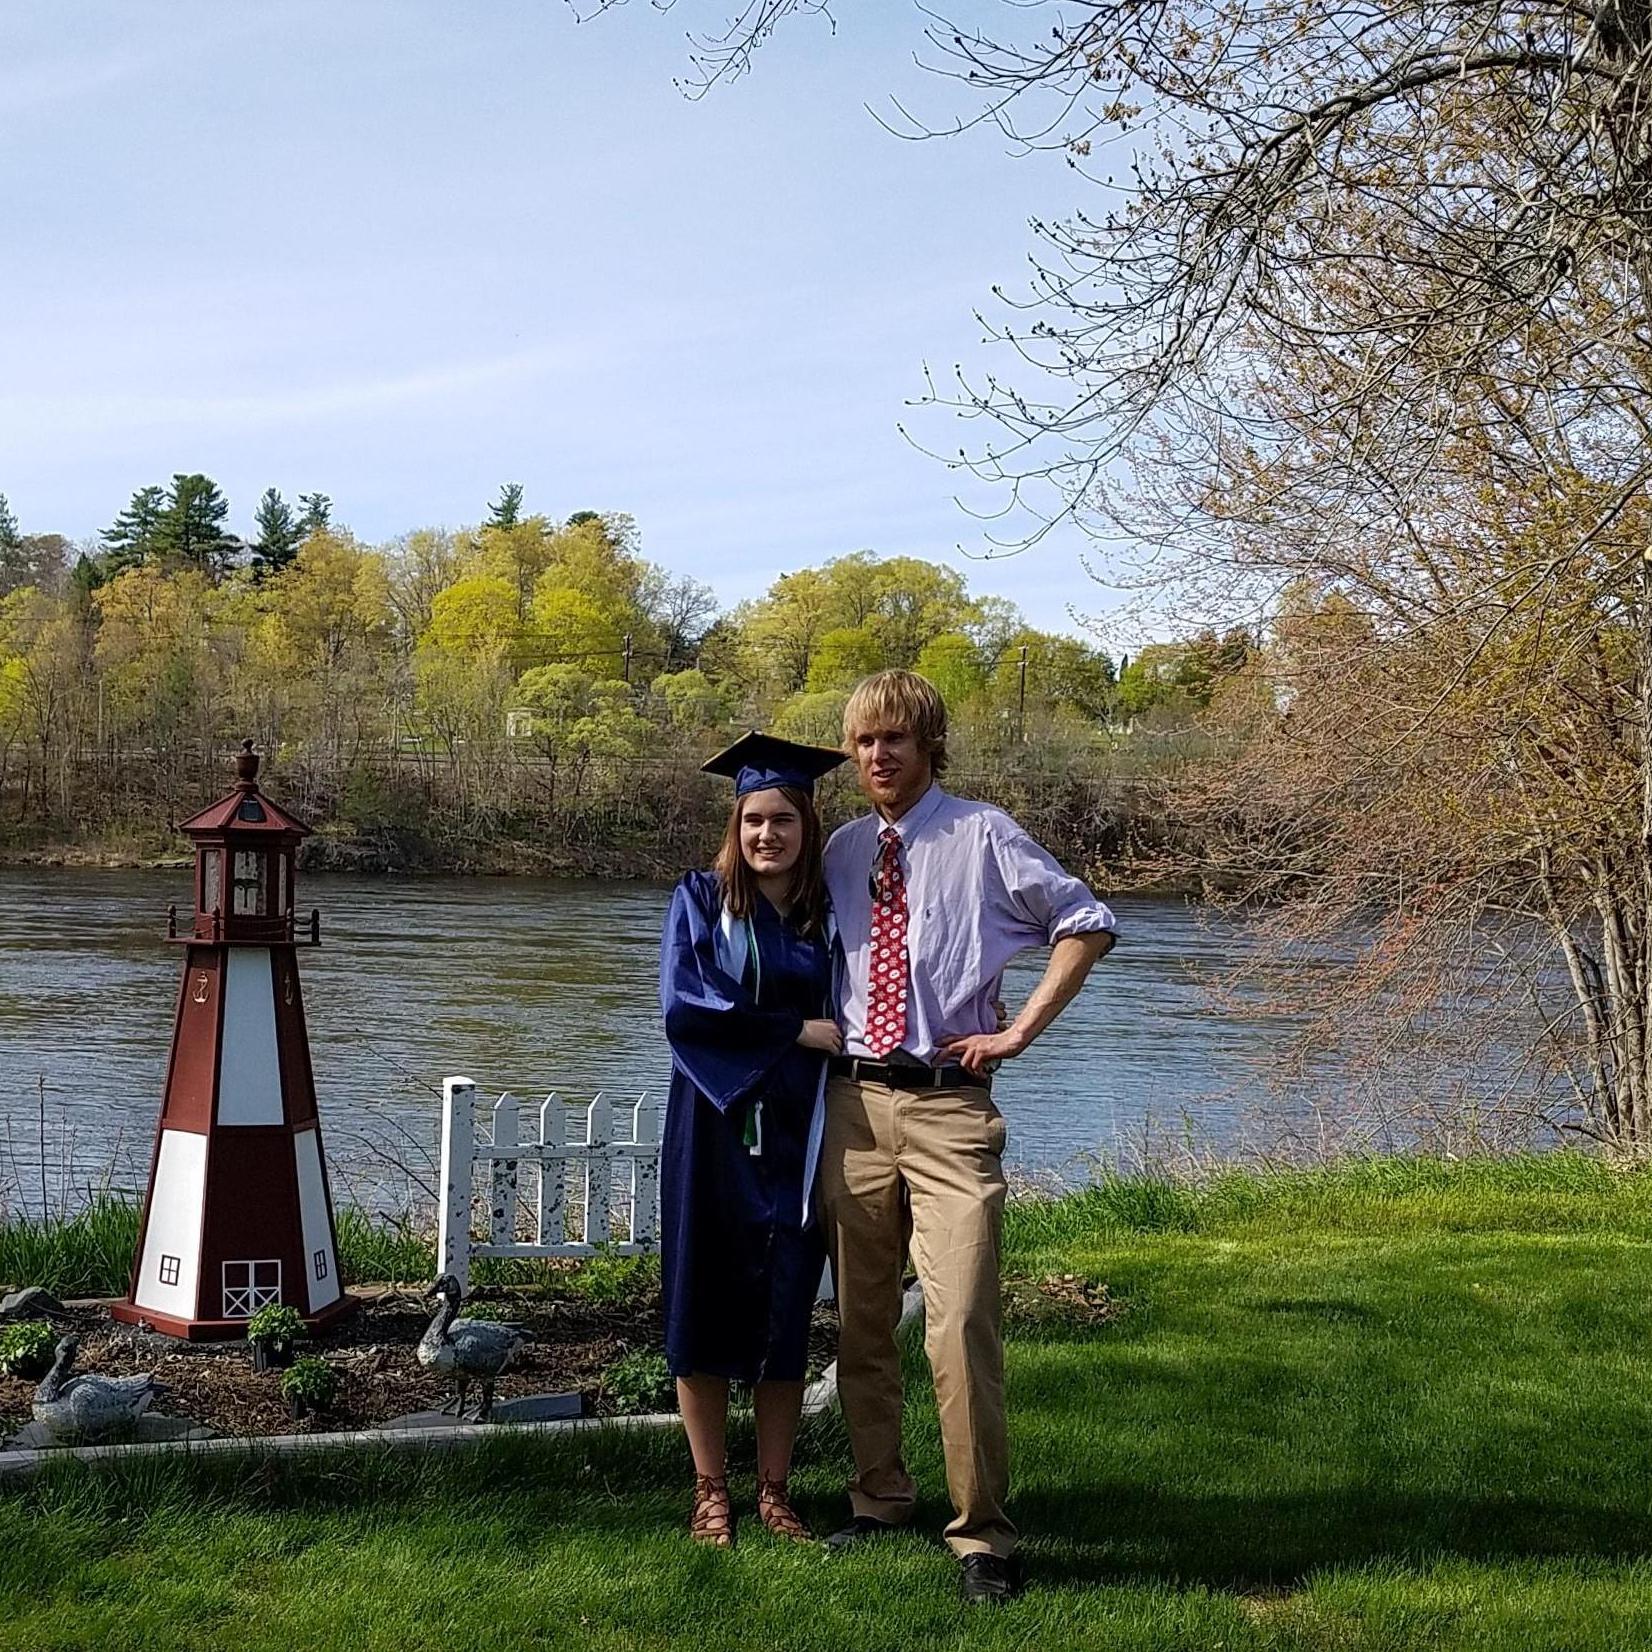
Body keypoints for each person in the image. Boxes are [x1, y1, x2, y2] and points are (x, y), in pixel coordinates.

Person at [818, 670, 1116, 1603]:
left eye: (894, 740)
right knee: (863, 1324)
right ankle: (878, 1499)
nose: (878, 757)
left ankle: (982, 1534)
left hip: (951, 1108)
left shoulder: (983, 835)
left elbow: (1086, 920)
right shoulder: (838, 850)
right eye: (864, 743)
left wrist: (1019, 1031)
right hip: (854, 1112)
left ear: (928, 745)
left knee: (957, 1325)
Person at [658, 731, 847, 1548]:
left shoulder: (825, 916)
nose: (766, 836)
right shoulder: (701, 900)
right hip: (713, 1125)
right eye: (752, 822)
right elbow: (687, 1009)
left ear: (807, 827)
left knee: (783, 1310)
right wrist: (793, 1031)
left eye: (783, 822)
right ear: (734, 829)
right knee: (701, 1304)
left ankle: (774, 1491)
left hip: (800, 1134)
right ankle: (710, 1491)